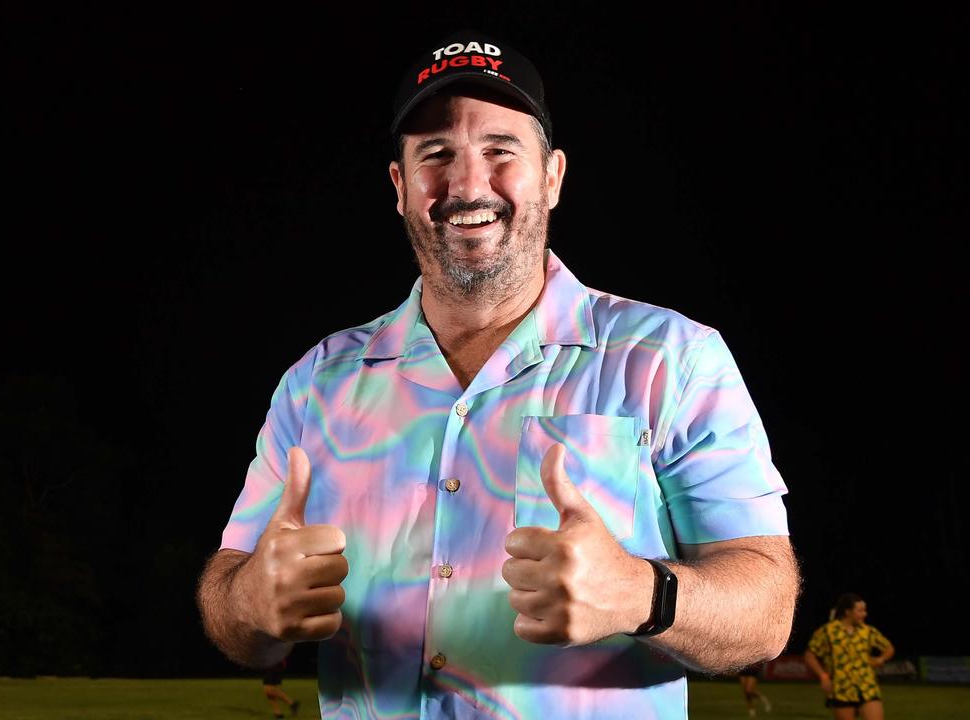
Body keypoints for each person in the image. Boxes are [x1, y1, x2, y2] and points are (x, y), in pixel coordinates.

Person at [196, 29, 799, 719]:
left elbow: (767, 608)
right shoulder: (316, 383)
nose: (467, 184)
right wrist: (248, 601)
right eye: (436, 155)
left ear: (553, 176)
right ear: (400, 185)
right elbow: (229, 590)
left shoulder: (672, 359)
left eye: (500, 151)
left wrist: (640, 593)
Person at [805, 593, 894, 720]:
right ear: (848, 612)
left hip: (867, 686)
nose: (865, 614)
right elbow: (810, 655)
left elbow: (889, 648)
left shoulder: (867, 631)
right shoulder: (828, 631)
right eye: (860, 611)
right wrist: (823, 676)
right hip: (841, 689)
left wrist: (881, 659)